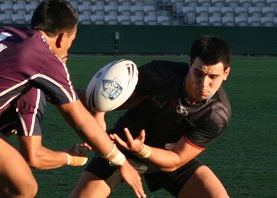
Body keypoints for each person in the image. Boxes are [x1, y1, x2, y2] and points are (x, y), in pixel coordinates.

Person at [0, 0, 146, 197]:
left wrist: (100, 109)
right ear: (63, 37)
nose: (68, 49)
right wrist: (120, 161)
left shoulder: (0, 33)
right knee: (24, 186)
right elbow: (79, 121)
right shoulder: (43, 59)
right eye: (71, 42)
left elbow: (67, 94)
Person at [71, 35, 232, 198]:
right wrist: (99, 115)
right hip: (124, 144)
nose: (204, 84)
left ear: (226, 73)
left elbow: (176, 159)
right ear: (190, 63)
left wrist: (142, 150)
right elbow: (113, 92)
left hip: (167, 156)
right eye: (198, 73)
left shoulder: (217, 114)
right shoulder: (161, 74)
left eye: (213, 77)